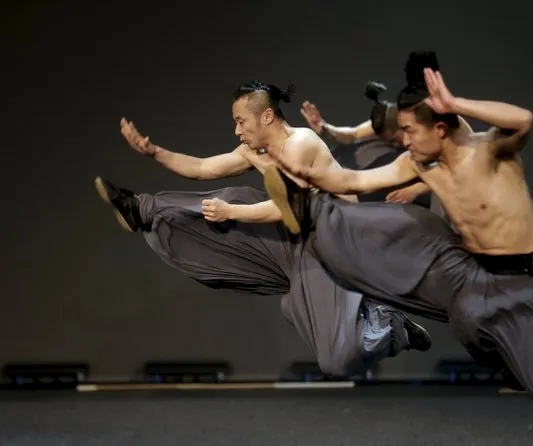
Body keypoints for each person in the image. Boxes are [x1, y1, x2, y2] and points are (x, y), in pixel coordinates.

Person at [262, 56, 533, 406]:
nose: (404, 140)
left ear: (440, 129)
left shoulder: (489, 151)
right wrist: (302, 173)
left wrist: (456, 103)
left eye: (410, 131)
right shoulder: (419, 163)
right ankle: (309, 207)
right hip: (470, 271)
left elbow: (524, 120)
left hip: (525, 280)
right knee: (389, 231)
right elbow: (351, 179)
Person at [94, 80, 431, 378]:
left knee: (336, 362)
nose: (237, 130)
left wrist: (232, 212)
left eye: (241, 121)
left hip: (335, 246)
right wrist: (154, 152)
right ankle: (140, 208)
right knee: (227, 197)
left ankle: (393, 327)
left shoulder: (302, 144)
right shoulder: (253, 151)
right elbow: (201, 168)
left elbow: (290, 206)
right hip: (293, 240)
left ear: (266, 117)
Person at [300, 81, 431, 205]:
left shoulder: (427, 137)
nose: (403, 142)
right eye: (392, 141)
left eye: (394, 140)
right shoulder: (388, 125)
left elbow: (444, 171)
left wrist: (416, 189)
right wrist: (325, 128)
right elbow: (352, 134)